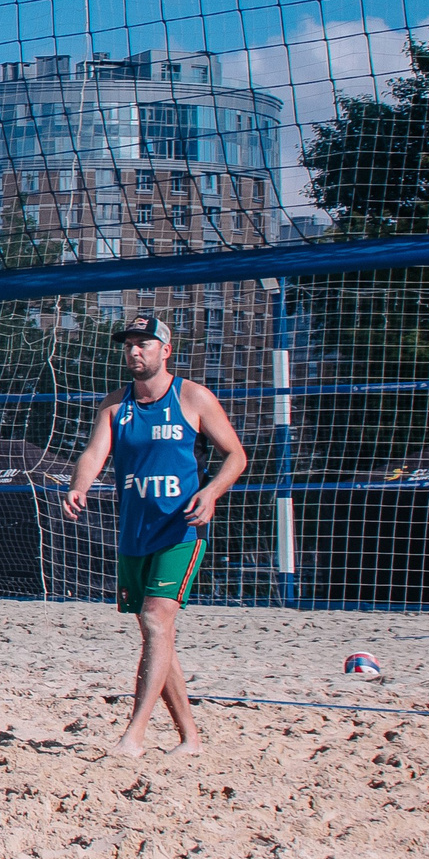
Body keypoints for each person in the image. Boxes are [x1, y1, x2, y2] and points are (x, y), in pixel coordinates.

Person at [63, 312, 246, 760]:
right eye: (128, 344)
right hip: (134, 532)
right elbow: (93, 453)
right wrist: (79, 486)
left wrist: (212, 491)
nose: (134, 350)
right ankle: (190, 737)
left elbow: (236, 456)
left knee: (155, 621)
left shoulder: (193, 397)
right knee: (157, 636)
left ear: (165, 350)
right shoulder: (114, 405)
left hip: (180, 529)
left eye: (143, 343)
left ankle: (135, 735)